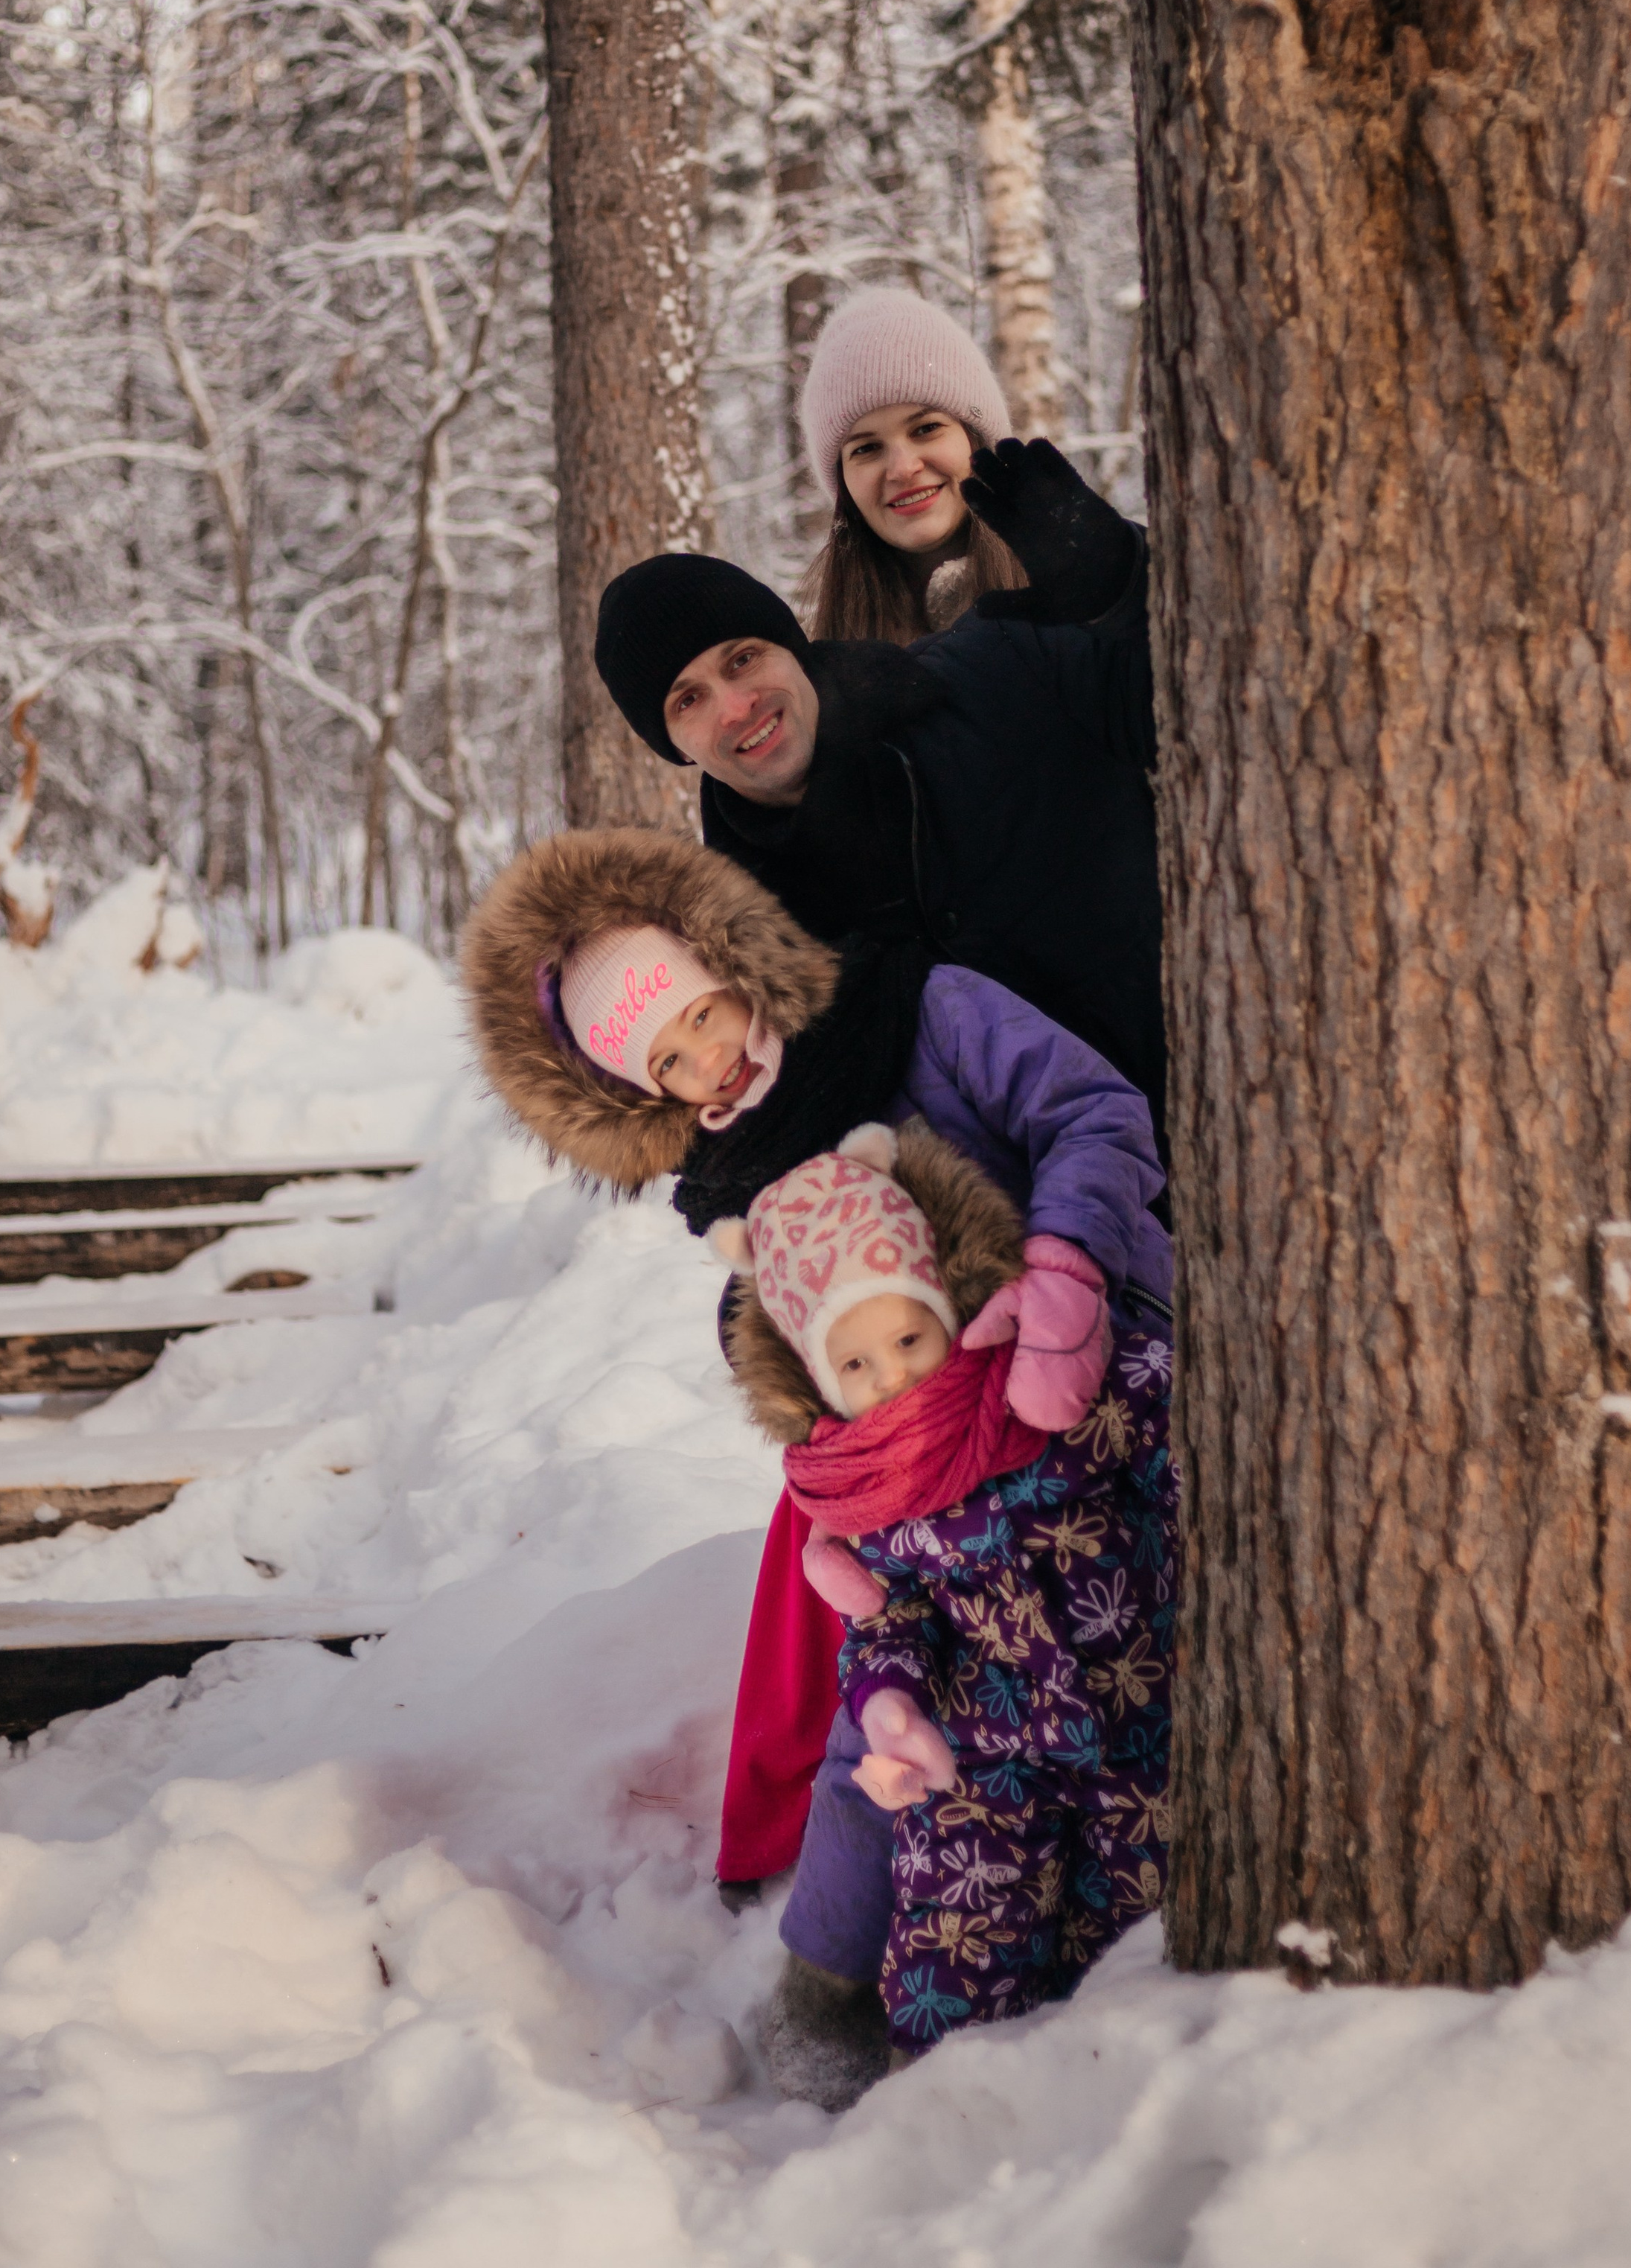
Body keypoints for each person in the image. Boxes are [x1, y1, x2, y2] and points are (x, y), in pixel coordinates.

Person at [459, 824, 1172, 2105]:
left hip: (1094, 1358)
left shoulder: (920, 1005)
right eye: (666, 1062)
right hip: (921, 1440)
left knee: (1136, 1645)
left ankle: (1127, 1939)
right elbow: (768, 1317)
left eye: (703, 1016)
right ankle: (830, 1986)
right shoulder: (730, 1168)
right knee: (888, 1699)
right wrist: (821, 1419)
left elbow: (1094, 1111)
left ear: (735, 961)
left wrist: (1067, 1271)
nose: (707, 1062)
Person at [713, 1124, 1175, 2061]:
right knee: (949, 1972)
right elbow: (891, 1621)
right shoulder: (864, 1485)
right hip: (981, 1764)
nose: (893, 1377)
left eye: (909, 1337)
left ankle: (1098, 2096)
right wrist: (887, 1704)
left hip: (1141, 1730)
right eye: (855, 1365)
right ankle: (940, 2106)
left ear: (948, 1304)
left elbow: (1180, 1450)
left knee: (1129, 1963)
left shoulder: (1059, 1386)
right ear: (818, 1380)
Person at [591, 506, 1169, 1162]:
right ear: (672, 745)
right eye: (688, 700)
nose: (736, 707)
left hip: (1228, 1107)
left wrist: (1123, 574)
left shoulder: (1000, 666)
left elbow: (1191, 683)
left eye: (743, 659)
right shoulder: (749, 962)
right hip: (1071, 1218)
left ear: (790, 644)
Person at [795, 287, 1030, 640]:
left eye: (926, 429)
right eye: (866, 449)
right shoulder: (821, 663)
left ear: (976, 439)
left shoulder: (1084, 604)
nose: (903, 468)